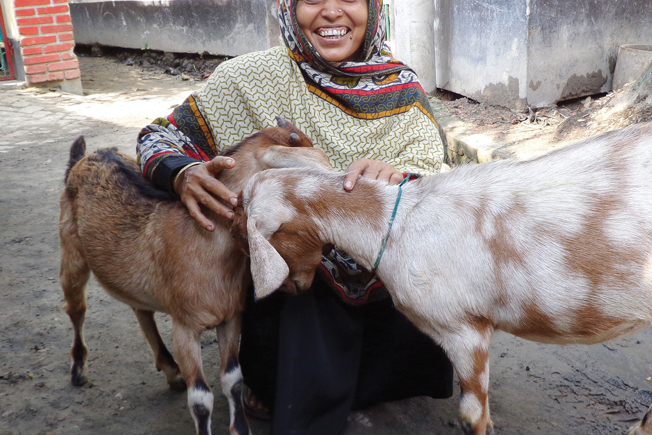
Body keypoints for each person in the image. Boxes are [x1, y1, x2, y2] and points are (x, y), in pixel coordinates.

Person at [135, 0, 454, 433]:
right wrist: (183, 173)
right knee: (292, 264)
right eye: (311, 0)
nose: (331, 12)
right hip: (299, 285)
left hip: (381, 272)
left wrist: (401, 178)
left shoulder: (401, 86)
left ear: (374, 9)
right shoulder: (247, 79)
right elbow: (158, 136)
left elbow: (434, 169)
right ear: (288, 9)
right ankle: (274, 375)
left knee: (427, 274)